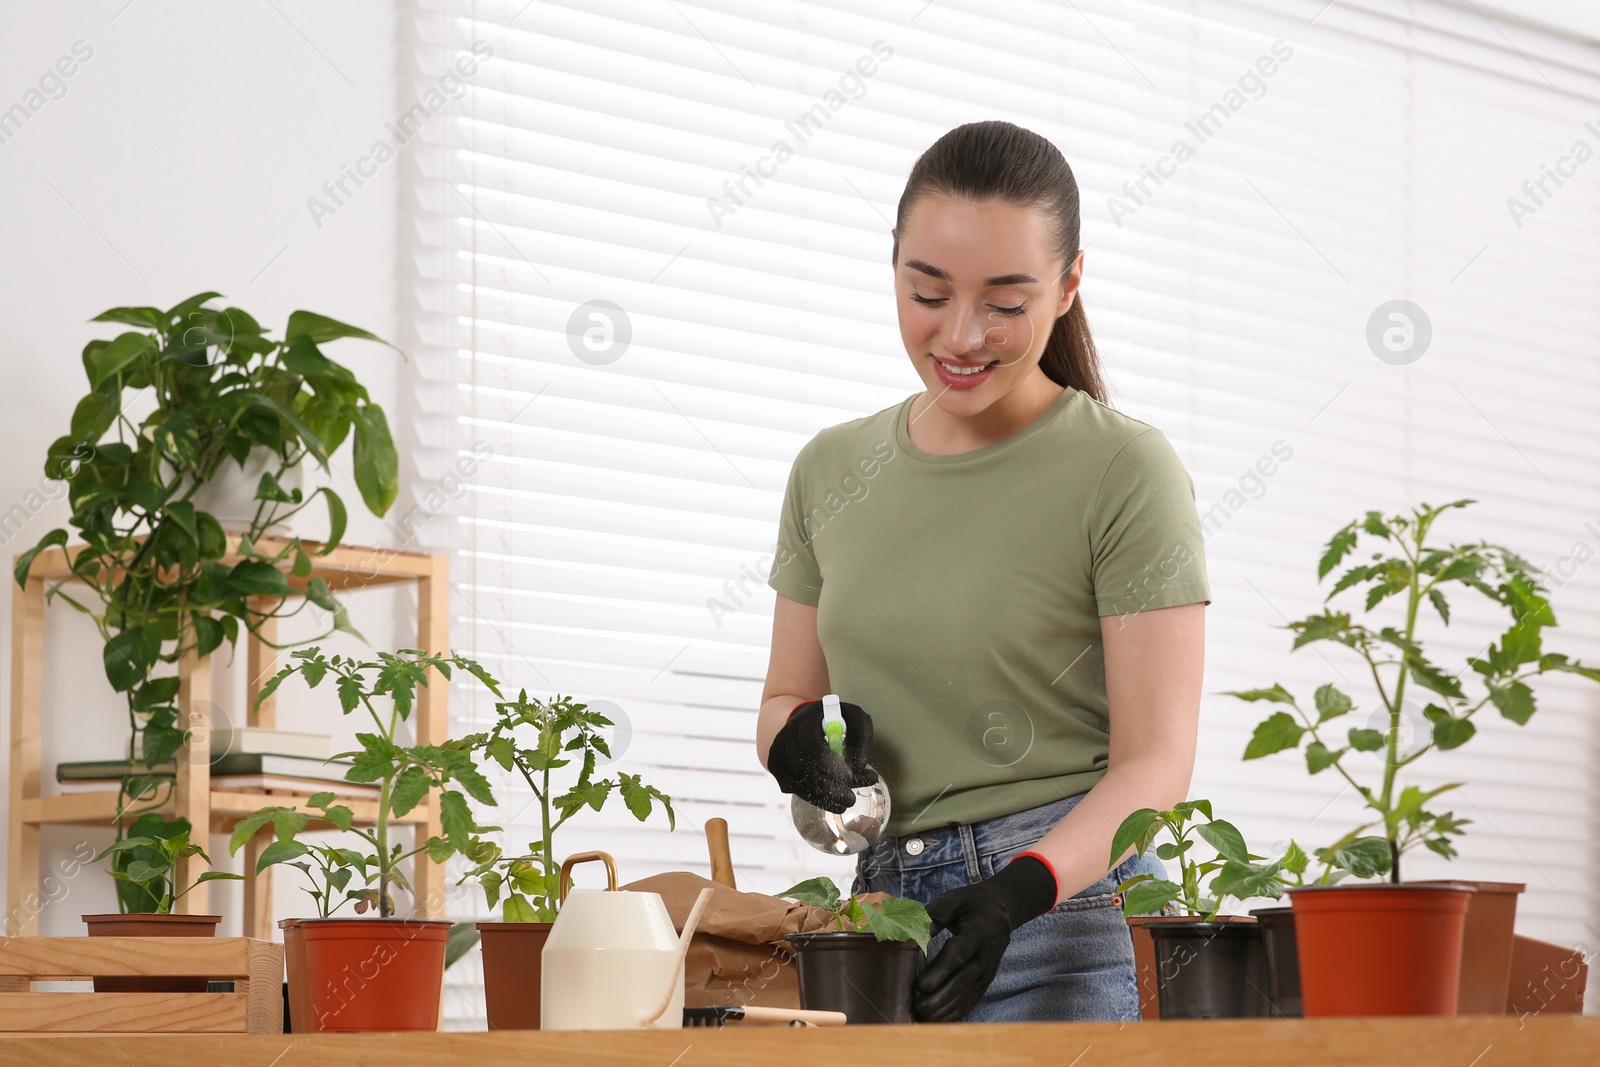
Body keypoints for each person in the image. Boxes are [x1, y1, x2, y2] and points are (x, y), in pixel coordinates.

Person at [755, 120, 1209, 1023]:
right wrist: (795, 744)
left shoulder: (1124, 471)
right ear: (893, 268)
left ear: (1071, 282)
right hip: (883, 921)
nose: (961, 335)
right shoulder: (829, 470)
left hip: (1068, 921)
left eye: (1006, 302)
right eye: (928, 292)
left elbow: (1157, 764)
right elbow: (784, 699)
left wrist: (1017, 892)